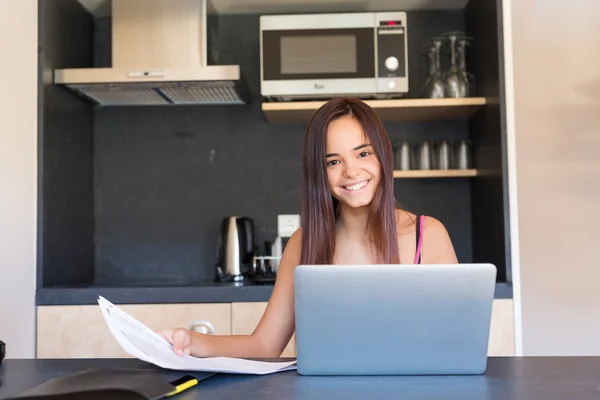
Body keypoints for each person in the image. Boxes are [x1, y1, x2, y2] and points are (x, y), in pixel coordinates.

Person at [157, 97, 458, 358]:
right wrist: (193, 342)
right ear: (318, 172)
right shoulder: (304, 243)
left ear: (382, 155)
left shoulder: (428, 235)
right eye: (332, 162)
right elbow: (264, 346)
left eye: (363, 153)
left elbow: (456, 341)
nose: (351, 171)